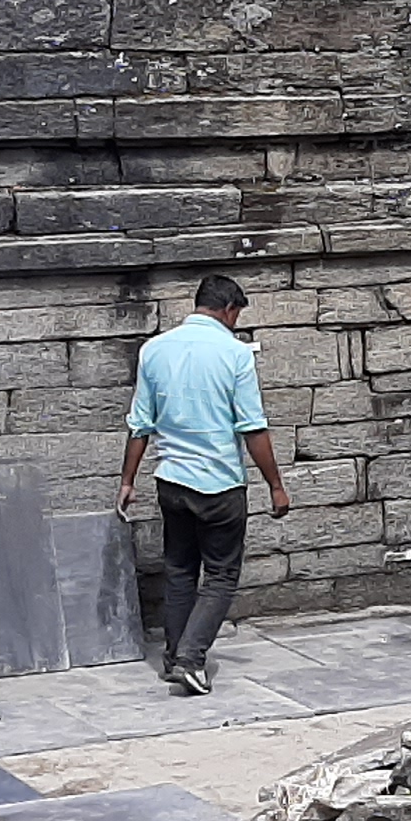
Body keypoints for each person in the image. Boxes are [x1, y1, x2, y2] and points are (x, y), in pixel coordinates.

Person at [117, 273, 294, 695]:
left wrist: (127, 480)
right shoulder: (235, 355)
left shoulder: (154, 350)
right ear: (229, 310)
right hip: (218, 485)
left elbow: (139, 424)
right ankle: (191, 659)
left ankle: (173, 654)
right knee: (220, 575)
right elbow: (253, 427)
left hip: (171, 482)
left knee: (179, 570)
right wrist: (275, 484)